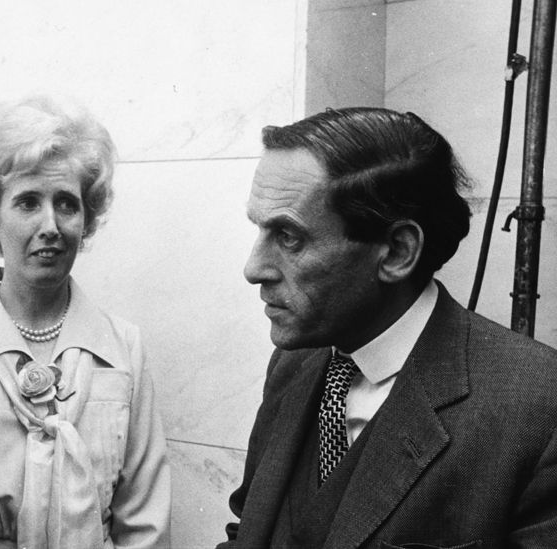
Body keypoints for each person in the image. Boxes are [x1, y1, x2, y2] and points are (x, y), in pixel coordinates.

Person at [218, 107, 557, 547]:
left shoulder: (537, 407)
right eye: (259, 230)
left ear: (397, 252)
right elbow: (249, 529)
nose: (254, 268)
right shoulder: (293, 363)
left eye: (289, 237)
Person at [0, 95, 171, 548]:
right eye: (27, 203)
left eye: (66, 203)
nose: (51, 225)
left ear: (87, 216)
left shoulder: (123, 349)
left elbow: (145, 526)